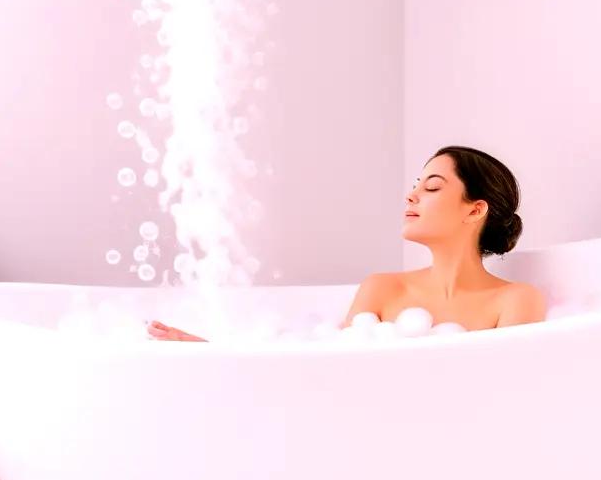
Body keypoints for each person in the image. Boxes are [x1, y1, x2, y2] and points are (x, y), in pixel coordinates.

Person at [147, 144, 545, 341]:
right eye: (414, 187)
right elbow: (321, 368)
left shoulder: (515, 302)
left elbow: (506, 396)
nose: (411, 196)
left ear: (475, 210)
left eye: (432, 187)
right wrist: (206, 350)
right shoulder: (383, 289)